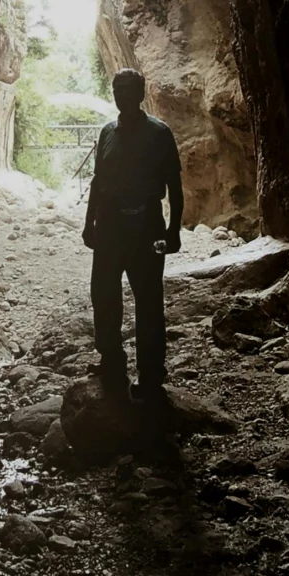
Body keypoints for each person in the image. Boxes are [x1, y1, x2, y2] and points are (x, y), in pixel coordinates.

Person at [81, 68, 183, 401]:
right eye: (116, 89)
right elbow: (97, 181)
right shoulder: (107, 132)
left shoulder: (159, 133)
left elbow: (175, 186)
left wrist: (173, 230)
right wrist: (88, 223)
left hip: (148, 226)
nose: (120, 94)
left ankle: (151, 373)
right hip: (110, 225)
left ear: (140, 93)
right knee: (104, 293)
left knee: (149, 299)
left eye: (126, 89)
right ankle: (111, 360)